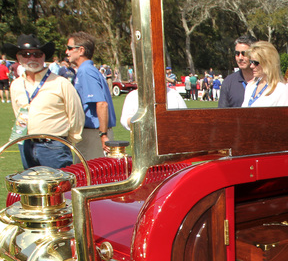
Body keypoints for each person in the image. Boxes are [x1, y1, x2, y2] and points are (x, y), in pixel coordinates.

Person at [4, 34, 84, 169]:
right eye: (26, 54)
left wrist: (65, 142)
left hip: (54, 147)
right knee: (32, 188)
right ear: (18, 57)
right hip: (25, 144)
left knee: (60, 189)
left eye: (37, 54)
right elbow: (18, 112)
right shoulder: (16, 85)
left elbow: (76, 115)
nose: (32, 58)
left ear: (43, 57)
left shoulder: (61, 83)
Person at [66, 31, 117, 160]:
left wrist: (103, 135)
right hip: (94, 133)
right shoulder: (88, 70)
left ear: (81, 50)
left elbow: (101, 104)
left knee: (88, 177)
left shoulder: (86, 71)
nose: (67, 52)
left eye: (69, 48)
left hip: (93, 134)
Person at [242, 41, 288, 108]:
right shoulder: (250, 87)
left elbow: (284, 117)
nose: (251, 66)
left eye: (255, 63)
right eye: (251, 62)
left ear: (268, 63)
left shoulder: (281, 90)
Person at [120, 87, 187, 130]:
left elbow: (185, 118)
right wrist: (144, 121)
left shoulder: (173, 94)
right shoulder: (133, 96)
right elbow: (125, 120)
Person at [219, 36, 255, 108]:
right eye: (237, 53)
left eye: (244, 53)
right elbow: (221, 114)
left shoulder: (265, 81)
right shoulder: (228, 82)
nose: (240, 58)